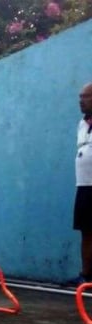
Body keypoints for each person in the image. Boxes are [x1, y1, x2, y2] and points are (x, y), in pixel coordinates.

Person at [70, 82, 92, 286]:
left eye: (85, 97)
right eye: (80, 97)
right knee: (85, 230)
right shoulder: (82, 124)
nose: (81, 101)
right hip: (84, 186)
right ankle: (86, 275)